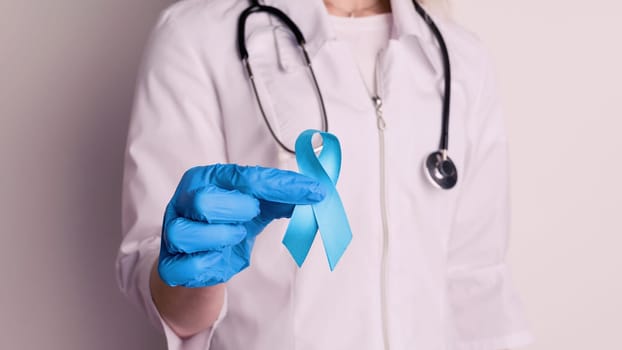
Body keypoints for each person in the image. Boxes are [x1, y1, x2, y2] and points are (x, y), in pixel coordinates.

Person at [116, 0, 534, 349]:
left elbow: (477, 282)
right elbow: (165, 291)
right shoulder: (197, 37)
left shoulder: (460, 58)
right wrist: (195, 270)